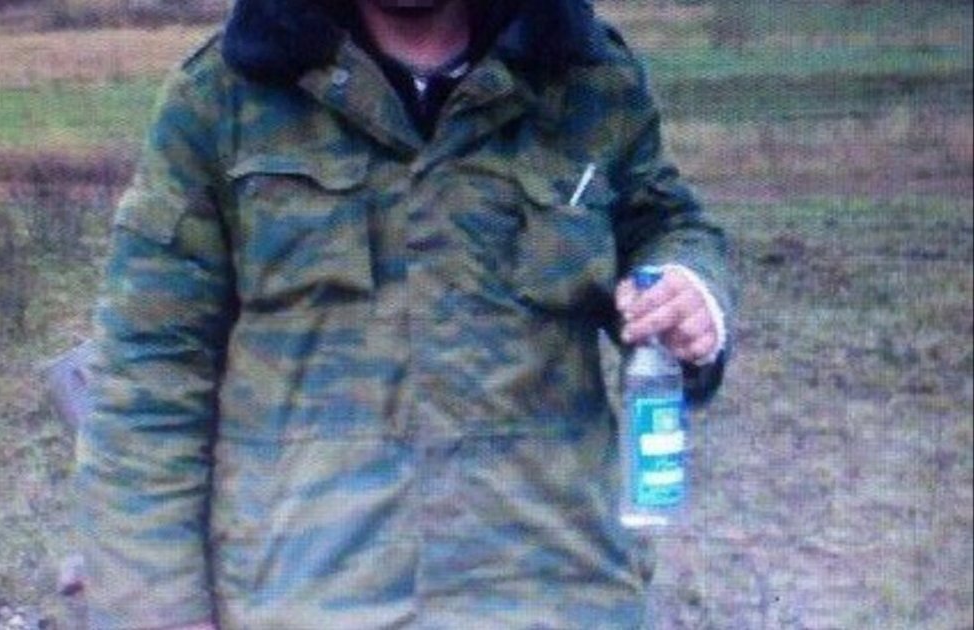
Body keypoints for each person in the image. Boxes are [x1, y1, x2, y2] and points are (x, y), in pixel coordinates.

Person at [75, 0, 735, 628]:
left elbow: (667, 224)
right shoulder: (223, 97)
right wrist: (157, 609)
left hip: (554, 592)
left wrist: (689, 290)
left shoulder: (587, 78)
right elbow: (148, 372)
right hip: (303, 600)